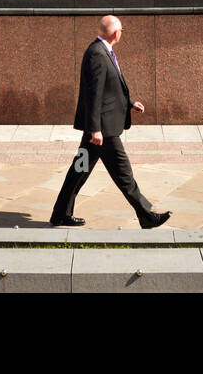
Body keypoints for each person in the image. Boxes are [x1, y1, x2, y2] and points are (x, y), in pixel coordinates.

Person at [49, 15, 170, 229]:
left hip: (98, 129)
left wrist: (130, 103)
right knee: (124, 174)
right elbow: (93, 94)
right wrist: (95, 129)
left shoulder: (102, 51)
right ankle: (146, 216)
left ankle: (60, 213)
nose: (122, 33)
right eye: (121, 30)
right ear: (116, 33)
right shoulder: (98, 54)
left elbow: (109, 89)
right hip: (103, 131)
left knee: (79, 170)